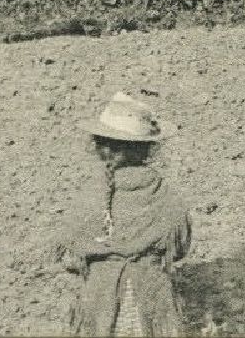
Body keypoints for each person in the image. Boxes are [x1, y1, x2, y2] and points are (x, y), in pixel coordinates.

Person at [55, 93, 193, 335]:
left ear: (100, 146)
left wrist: (104, 258)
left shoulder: (90, 195)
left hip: (99, 301)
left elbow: (69, 257)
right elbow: (180, 247)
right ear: (147, 149)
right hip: (152, 298)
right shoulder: (165, 195)